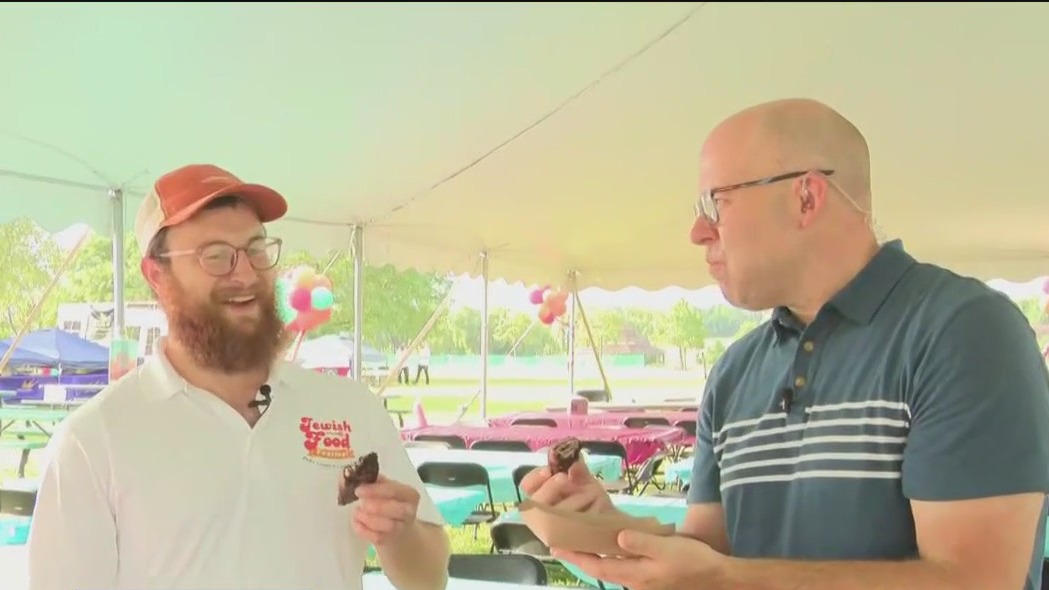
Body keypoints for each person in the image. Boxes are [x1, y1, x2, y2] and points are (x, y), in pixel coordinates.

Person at [522, 98, 1049, 590]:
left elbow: (975, 580)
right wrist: (610, 528)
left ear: (805, 196)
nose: (698, 231)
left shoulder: (963, 333)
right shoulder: (735, 372)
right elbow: (710, 554)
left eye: (716, 202)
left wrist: (731, 579)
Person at [27, 164, 450, 590]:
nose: (246, 274)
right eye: (215, 256)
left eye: (256, 250)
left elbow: (429, 578)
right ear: (157, 275)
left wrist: (400, 533)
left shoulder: (350, 407)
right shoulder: (94, 440)